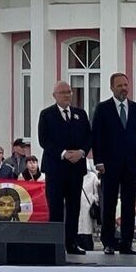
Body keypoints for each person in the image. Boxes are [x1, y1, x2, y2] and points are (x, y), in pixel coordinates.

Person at [91, 71, 136, 255]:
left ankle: (126, 242)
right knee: (108, 203)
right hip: (109, 164)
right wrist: (98, 161)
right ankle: (109, 242)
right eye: (120, 86)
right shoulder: (103, 109)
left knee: (129, 202)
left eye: (126, 85)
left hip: (131, 163)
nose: (124, 89)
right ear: (112, 88)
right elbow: (97, 137)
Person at [38, 80, 94, 257]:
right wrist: (63, 153)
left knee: (74, 207)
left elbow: (88, 137)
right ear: (55, 95)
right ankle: (55, 245)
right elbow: (44, 140)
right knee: (55, 207)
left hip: (76, 169)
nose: (67, 95)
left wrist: (81, 152)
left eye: (69, 92)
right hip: (56, 169)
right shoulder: (47, 115)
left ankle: (71, 242)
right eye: (63, 92)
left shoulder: (80, 114)